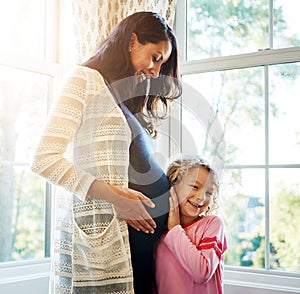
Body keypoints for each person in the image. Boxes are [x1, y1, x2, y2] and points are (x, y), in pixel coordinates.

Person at [31, 11, 181, 294]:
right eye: (155, 57)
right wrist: (117, 199)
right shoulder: (84, 80)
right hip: (113, 234)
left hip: (144, 241)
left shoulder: (118, 95)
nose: (156, 71)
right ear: (132, 42)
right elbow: (44, 159)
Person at [155, 156, 227, 294]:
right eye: (195, 187)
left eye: (209, 192)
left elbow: (202, 273)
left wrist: (175, 229)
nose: (201, 197)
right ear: (173, 186)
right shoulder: (159, 231)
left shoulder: (212, 224)